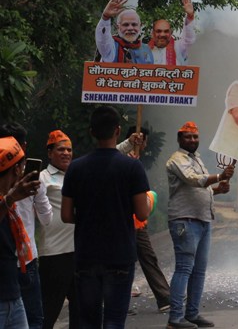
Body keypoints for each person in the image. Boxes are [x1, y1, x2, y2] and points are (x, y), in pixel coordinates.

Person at [61, 106, 150, 328]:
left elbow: (66, 215)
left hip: (86, 254)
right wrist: (150, 199)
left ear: (91, 131)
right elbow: (142, 212)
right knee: (114, 321)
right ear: (118, 130)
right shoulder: (132, 167)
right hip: (119, 255)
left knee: (88, 322)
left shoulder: (75, 168)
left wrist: (89, 216)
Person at [165, 122, 234, 329]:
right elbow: (193, 180)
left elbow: (201, 188)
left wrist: (218, 189)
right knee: (184, 268)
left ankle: (192, 314)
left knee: (199, 270)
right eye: (188, 137)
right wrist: (220, 176)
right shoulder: (176, 160)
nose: (192, 140)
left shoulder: (197, 159)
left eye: (195, 136)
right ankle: (175, 318)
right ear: (179, 139)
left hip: (202, 220)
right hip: (185, 220)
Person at [0, 123, 52, 329]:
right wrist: (11, 198)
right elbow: (46, 218)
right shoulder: (10, 199)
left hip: (14, 288)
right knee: (35, 320)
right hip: (21, 269)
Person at [121, 127, 170, 313]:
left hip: (138, 222)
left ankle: (165, 297)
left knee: (147, 258)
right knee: (124, 263)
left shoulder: (136, 161)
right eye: (141, 140)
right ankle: (117, 302)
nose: (144, 144)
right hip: (124, 221)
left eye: (145, 141)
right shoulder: (121, 161)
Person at [37, 130, 79, 329]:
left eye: (69, 150)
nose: (66, 153)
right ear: (49, 153)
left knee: (80, 311)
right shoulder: (42, 179)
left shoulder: (76, 175)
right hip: (54, 255)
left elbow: (101, 161)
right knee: (49, 312)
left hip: (78, 252)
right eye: (61, 149)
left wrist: (129, 145)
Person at [95, 0, 154, 64]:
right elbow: (102, 39)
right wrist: (105, 17)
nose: (130, 28)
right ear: (118, 27)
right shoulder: (110, 46)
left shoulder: (146, 49)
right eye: (125, 25)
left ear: (140, 26)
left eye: (134, 24)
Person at [148, 0, 196, 65]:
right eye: (158, 31)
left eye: (166, 31)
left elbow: (189, 40)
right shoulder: (144, 51)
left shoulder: (178, 47)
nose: (162, 34)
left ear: (170, 33)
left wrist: (190, 16)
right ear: (152, 33)